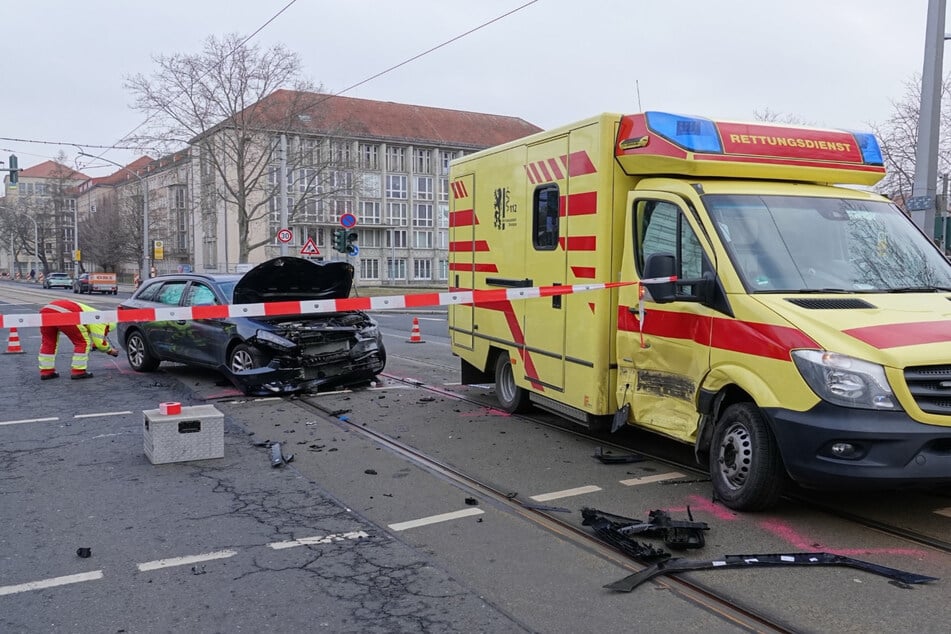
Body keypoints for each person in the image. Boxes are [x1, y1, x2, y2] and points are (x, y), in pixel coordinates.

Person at [37, 298, 119, 380]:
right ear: (108, 326)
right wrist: (110, 351)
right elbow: (100, 344)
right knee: (83, 342)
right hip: (66, 313)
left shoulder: (94, 313)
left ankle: (46, 371)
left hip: (46, 310)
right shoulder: (101, 322)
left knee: (48, 342)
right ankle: (78, 371)